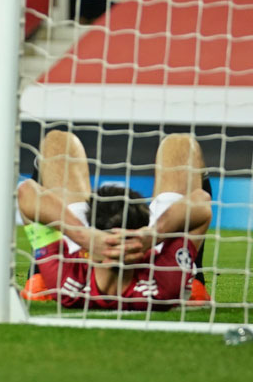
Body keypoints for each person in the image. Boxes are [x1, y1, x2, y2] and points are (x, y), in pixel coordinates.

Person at [18, 130, 212, 310]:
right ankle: (194, 278)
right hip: (148, 252)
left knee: (57, 143)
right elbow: (201, 201)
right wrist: (153, 235)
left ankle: (39, 273)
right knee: (180, 145)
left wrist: (83, 236)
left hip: (82, 251)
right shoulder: (164, 283)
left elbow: (26, 192)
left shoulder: (67, 281)